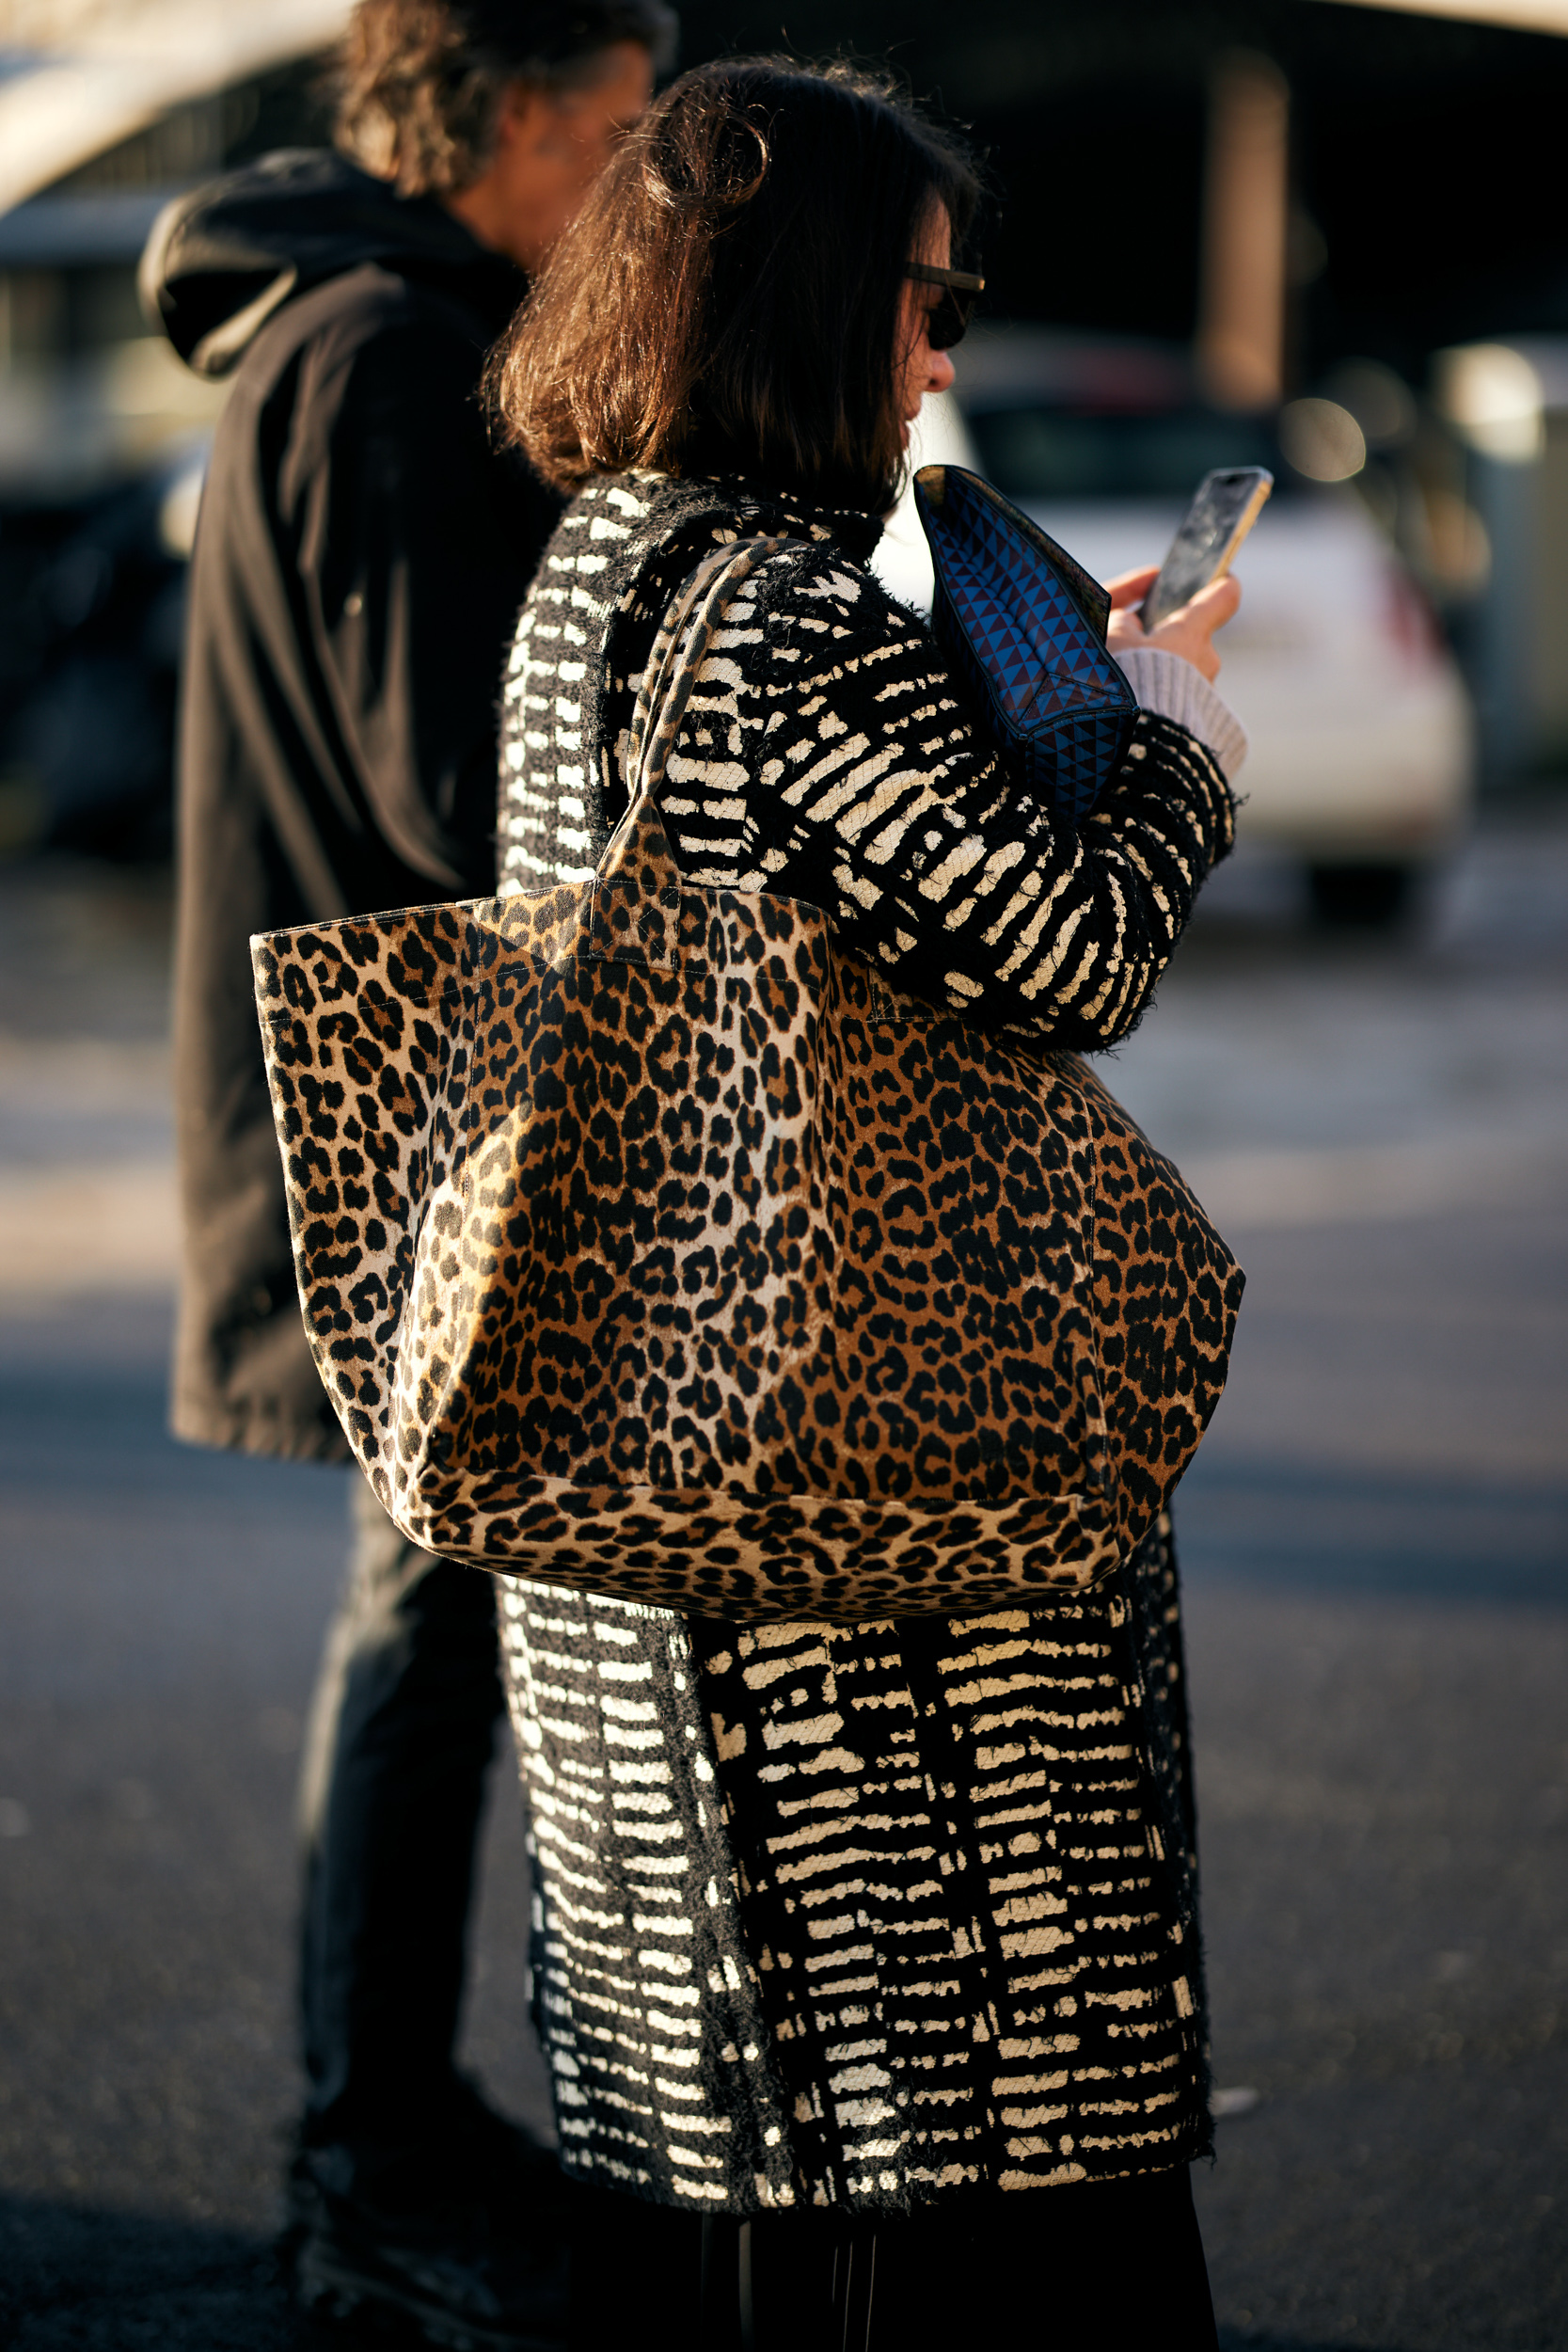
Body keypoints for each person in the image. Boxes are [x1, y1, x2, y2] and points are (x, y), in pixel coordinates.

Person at [487, 56, 1247, 2349]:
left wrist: (1043, 695)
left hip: (661, 1452)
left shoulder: (603, 564)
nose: (946, 355)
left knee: (746, 2153)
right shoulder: (781, 615)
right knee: (960, 2151)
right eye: (929, 301)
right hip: (867, 1507)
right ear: (814, 301)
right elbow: (1072, 949)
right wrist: (1183, 743)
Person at [141, 0, 673, 2339]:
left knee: (448, 1632)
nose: (653, 178)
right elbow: (464, 800)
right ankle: (365, 2146)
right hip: (415, 1132)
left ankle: (404, 2126)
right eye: (637, 131)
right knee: (431, 1632)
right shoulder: (378, 355)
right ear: (524, 126)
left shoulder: (359, 328)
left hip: (413, 1120)